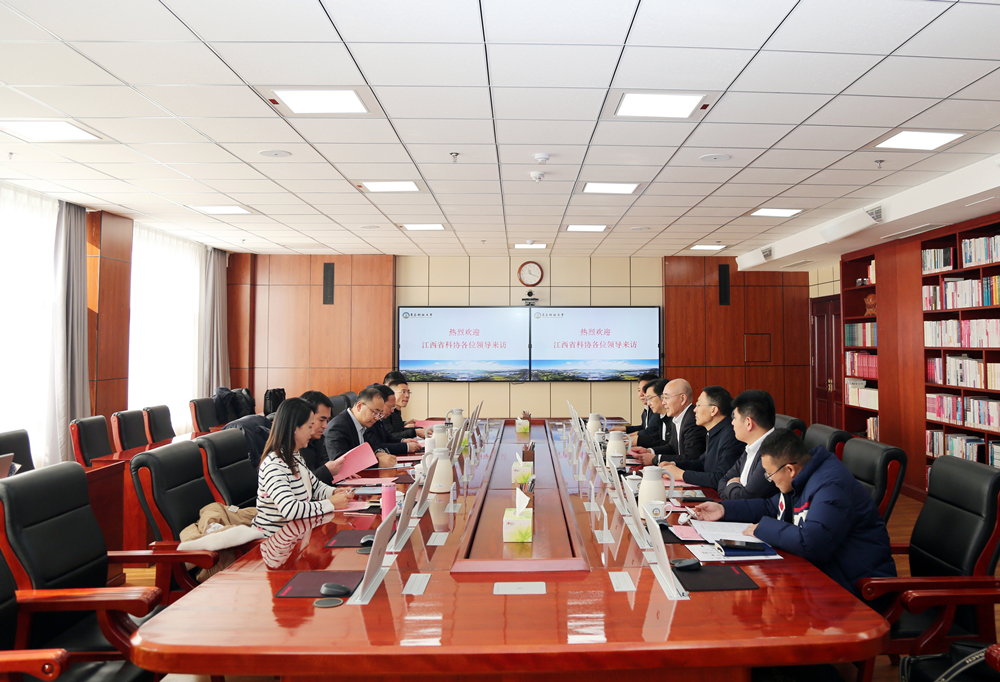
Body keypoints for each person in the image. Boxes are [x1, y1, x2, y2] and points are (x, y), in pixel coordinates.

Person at [693, 429, 896, 602]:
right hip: (824, 577)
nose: (770, 480)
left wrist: (762, 528)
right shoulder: (802, 476)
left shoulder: (831, 486)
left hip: (857, 590)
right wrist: (724, 510)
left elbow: (813, 543)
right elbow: (771, 507)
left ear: (789, 469)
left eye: (769, 474)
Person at [251, 398, 355, 538]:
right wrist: (330, 503)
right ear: (295, 428)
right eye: (310, 426)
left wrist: (334, 492)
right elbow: (290, 509)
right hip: (274, 540)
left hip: (298, 534)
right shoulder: (274, 464)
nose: (312, 432)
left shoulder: (295, 456)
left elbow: (315, 486)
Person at [660, 386, 743, 489]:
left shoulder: (731, 435)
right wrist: (674, 465)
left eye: (698, 405)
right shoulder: (714, 431)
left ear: (713, 410)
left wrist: (682, 475)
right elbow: (702, 463)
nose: (695, 410)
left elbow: (721, 478)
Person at [717, 389, 779, 500]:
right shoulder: (750, 447)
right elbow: (723, 481)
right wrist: (736, 487)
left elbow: (744, 499)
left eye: (735, 418)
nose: (732, 423)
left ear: (749, 423)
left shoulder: (772, 452)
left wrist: (732, 484)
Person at [632, 378, 706, 465]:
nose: (663, 402)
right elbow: (672, 447)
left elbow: (691, 457)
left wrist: (656, 459)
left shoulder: (693, 420)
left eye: (666, 398)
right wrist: (649, 451)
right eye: (663, 398)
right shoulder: (677, 418)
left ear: (682, 399)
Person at [323, 386, 397, 467]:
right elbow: (340, 463)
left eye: (380, 414)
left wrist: (378, 452)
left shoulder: (361, 423)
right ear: (359, 406)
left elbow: (369, 446)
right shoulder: (338, 428)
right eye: (375, 412)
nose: (377, 418)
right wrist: (378, 463)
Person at [298, 390, 354, 485]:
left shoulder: (320, 439)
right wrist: (327, 471)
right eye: (321, 420)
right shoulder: (293, 447)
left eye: (327, 420)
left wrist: (340, 473)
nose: (325, 426)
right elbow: (302, 485)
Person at [365, 384, 419, 455]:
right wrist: (406, 447)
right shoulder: (369, 420)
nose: (392, 411)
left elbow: (388, 437)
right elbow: (376, 446)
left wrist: (402, 441)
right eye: (391, 407)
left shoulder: (379, 418)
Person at [382, 371, 426, 440]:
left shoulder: (396, 409)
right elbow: (390, 436)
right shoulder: (384, 410)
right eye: (403, 392)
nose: (407, 396)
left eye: (408, 392)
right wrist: (415, 432)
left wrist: (419, 429)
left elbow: (397, 429)